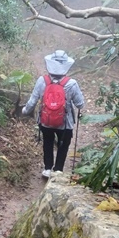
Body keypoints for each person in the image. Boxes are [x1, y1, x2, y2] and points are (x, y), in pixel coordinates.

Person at [22, 50, 85, 178]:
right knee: (64, 144)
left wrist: (25, 111)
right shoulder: (71, 83)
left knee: (48, 142)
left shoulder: (42, 80)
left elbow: (33, 100)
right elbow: (80, 104)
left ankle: (47, 169)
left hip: (45, 120)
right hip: (65, 123)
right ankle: (58, 170)